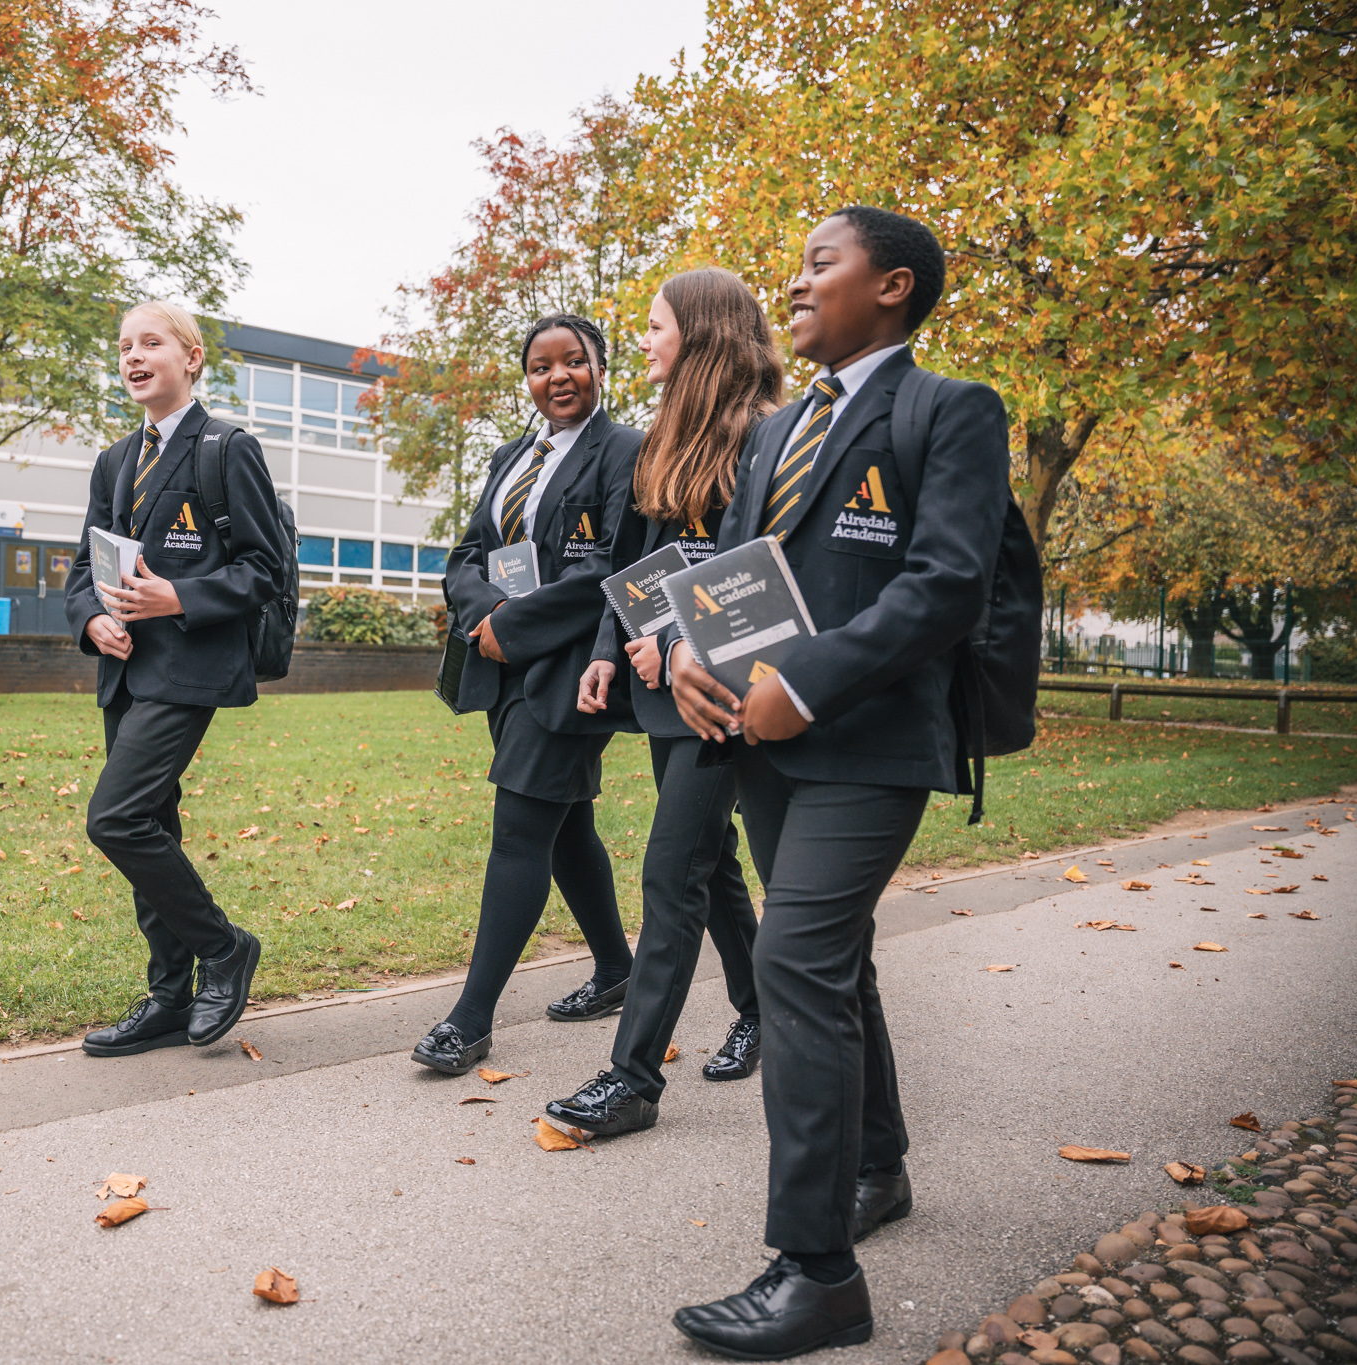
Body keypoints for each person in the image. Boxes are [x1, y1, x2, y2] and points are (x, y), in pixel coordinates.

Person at [664, 207, 1011, 1360]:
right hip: (759, 741)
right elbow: (732, 572)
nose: (796, 282)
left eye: (820, 264)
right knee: (835, 960)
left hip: (869, 742)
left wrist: (801, 681)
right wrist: (685, 654)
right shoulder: (775, 427)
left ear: (893, 287)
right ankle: (877, 1166)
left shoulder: (946, 410)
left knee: (792, 962)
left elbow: (944, 585)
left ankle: (815, 1273)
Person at [545, 267, 781, 1139]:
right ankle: (756, 1006)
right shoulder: (660, 440)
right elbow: (631, 567)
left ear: (703, 331)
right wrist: (612, 652)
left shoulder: (765, 438)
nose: (641, 341)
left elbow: (757, 578)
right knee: (708, 859)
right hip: (655, 680)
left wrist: (681, 640)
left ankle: (633, 1077)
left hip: (723, 687)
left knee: (670, 867)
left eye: (654, 327)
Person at [410, 314, 643, 1077]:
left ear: (600, 366)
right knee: (564, 822)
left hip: (574, 665)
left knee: (519, 826)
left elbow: (614, 563)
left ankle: (469, 1019)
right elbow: (469, 551)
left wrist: (519, 623)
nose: (559, 376)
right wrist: (486, 616)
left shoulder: (626, 451)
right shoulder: (512, 456)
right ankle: (616, 968)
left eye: (574, 361)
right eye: (542, 367)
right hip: (503, 663)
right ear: (528, 380)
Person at [64, 300, 288, 1058]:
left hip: (190, 667)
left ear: (191, 358)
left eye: (150, 342)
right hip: (125, 673)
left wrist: (178, 595)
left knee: (115, 819)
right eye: (124, 345)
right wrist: (92, 618)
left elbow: (265, 571)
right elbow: (80, 571)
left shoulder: (227, 448)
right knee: (152, 826)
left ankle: (224, 947)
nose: (133, 355)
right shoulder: (113, 460)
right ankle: (168, 994)